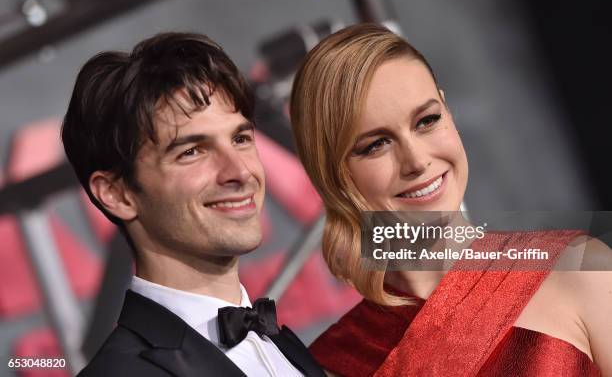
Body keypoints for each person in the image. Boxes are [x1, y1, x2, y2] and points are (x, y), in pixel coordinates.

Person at [289, 23, 612, 376]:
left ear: (448, 111)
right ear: (332, 174)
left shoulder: (580, 270)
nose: (417, 161)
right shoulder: (332, 363)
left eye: (426, 121)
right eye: (376, 144)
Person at [62, 32, 325, 377]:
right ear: (117, 194)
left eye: (241, 139)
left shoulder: (286, 347)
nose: (241, 171)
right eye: (192, 152)